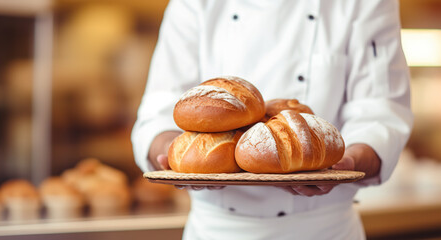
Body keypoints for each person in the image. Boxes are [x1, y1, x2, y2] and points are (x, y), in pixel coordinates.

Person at [132, 0, 413, 239]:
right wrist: (175, 157)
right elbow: (159, 112)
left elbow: (380, 114)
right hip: (217, 230)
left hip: (323, 230)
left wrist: (345, 163)